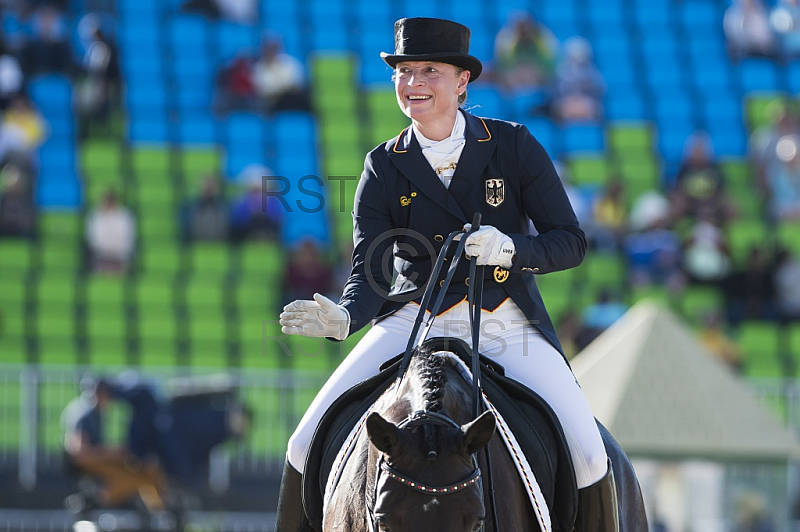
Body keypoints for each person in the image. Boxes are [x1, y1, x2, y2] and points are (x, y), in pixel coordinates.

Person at [276, 17, 617, 531]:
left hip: (505, 321)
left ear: (462, 82)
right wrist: (346, 317)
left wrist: (511, 249)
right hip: (413, 320)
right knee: (302, 443)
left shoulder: (514, 146)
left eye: (429, 71)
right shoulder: (383, 166)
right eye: (404, 71)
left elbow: (570, 242)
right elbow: (372, 268)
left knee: (590, 455)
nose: (413, 82)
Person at [61, 378, 166, 512]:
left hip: (93, 459)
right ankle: (94, 501)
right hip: (84, 463)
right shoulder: (85, 413)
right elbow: (80, 452)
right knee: (134, 478)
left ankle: (158, 509)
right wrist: (116, 453)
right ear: (101, 394)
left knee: (145, 473)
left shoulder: (93, 411)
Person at [252, 34, 310, 115]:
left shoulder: (290, 62)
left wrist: (281, 88)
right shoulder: (258, 68)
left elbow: (298, 83)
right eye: (268, 48)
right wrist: (283, 88)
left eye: (274, 48)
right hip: (272, 104)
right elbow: (264, 90)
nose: (271, 51)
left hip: (294, 100)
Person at [85, 189, 136, 274]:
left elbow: (128, 239)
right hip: (100, 257)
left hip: (120, 257)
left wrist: (116, 252)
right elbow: (93, 240)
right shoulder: (95, 216)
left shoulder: (125, 216)